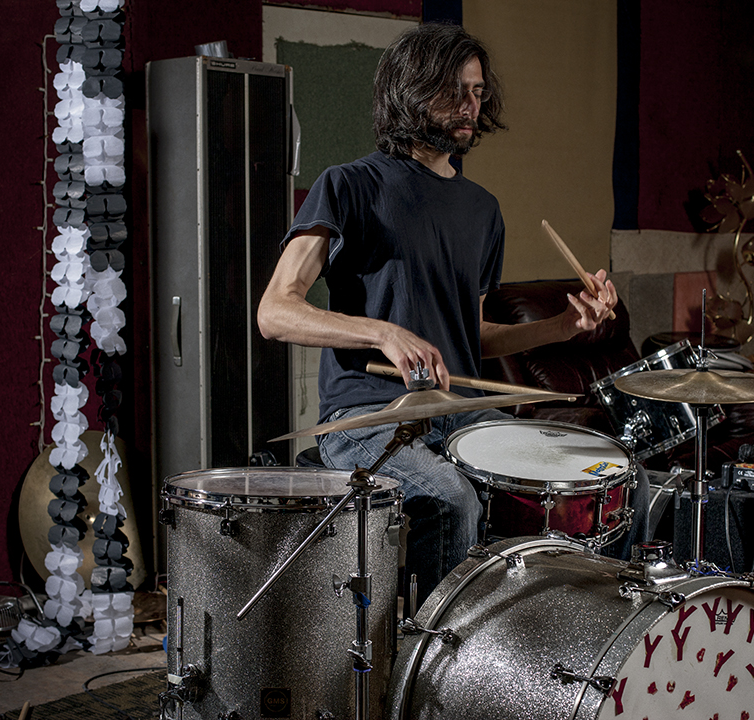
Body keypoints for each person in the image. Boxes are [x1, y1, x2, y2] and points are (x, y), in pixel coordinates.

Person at [257, 23, 621, 607]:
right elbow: (275, 311)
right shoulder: (349, 186)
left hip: (458, 415)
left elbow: (473, 334)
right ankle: (433, 674)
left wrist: (563, 327)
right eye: (454, 91)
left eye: (477, 92)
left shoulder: (482, 210)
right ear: (411, 90)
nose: (470, 106)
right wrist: (383, 332)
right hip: (368, 419)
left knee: (586, 480)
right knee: (452, 500)